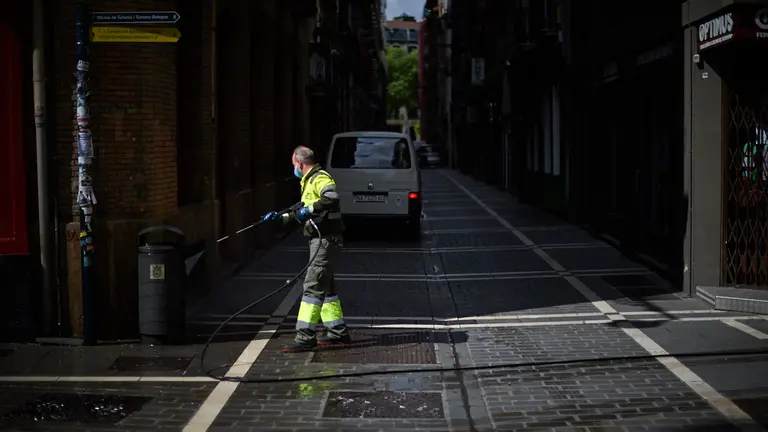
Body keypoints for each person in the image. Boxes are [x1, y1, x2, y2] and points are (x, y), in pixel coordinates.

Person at [261, 146, 351, 352]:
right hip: (323, 240)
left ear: (300, 163)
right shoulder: (309, 180)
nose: (294, 168)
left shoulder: (319, 178)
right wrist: (281, 217)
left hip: (325, 240)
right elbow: (302, 209)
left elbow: (330, 198)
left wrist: (307, 210)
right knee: (325, 286)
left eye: (294, 164)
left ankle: (305, 336)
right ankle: (338, 332)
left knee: (312, 285)